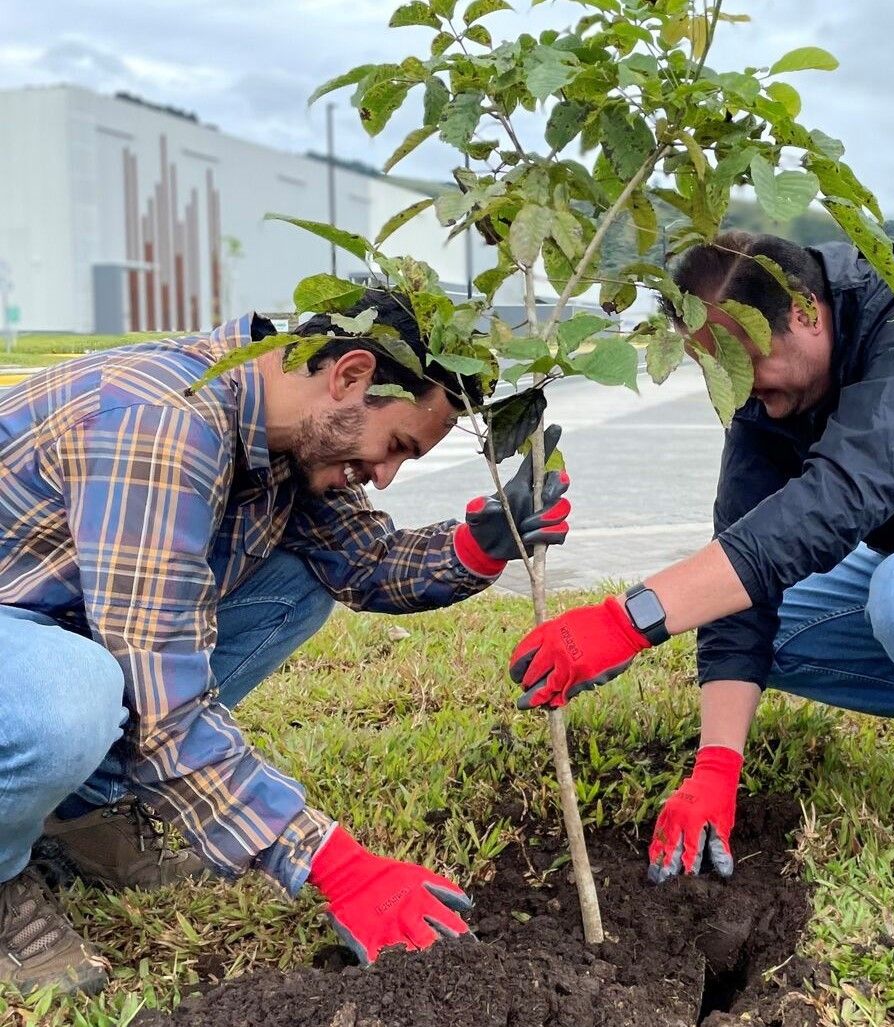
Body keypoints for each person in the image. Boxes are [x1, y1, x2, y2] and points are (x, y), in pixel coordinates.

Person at [509, 231, 894, 881]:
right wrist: (716, 770)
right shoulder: (765, 396)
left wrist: (626, 620)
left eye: (747, 359)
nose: (740, 387)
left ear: (807, 312)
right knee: (763, 619)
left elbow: (839, 500)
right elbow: (743, 561)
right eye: (717, 368)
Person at [0, 289, 571, 995]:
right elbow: (162, 704)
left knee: (300, 580)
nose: (387, 476)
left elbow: (362, 563)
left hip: (39, 622)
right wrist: (339, 865)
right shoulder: (163, 425)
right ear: (350, 376)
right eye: (395, 445)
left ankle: (82, 812)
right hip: (18, 639)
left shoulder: (282, 438)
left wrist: (480, 545)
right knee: (69, 700)